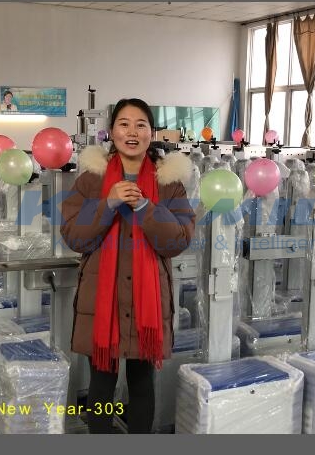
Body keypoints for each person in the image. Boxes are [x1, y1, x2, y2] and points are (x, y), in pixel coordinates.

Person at [61, 98, 196, 433]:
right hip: (101, 299)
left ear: (152, 132)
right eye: (124, 124)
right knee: (101, 384)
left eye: (140, 125)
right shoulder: (91, 180)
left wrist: (147, 208)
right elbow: (74, 236)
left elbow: (178, 241)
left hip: (147, 301)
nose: (132, 132)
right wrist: (107, 204)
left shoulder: (169, 182)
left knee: (141, 383)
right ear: (112, 131)